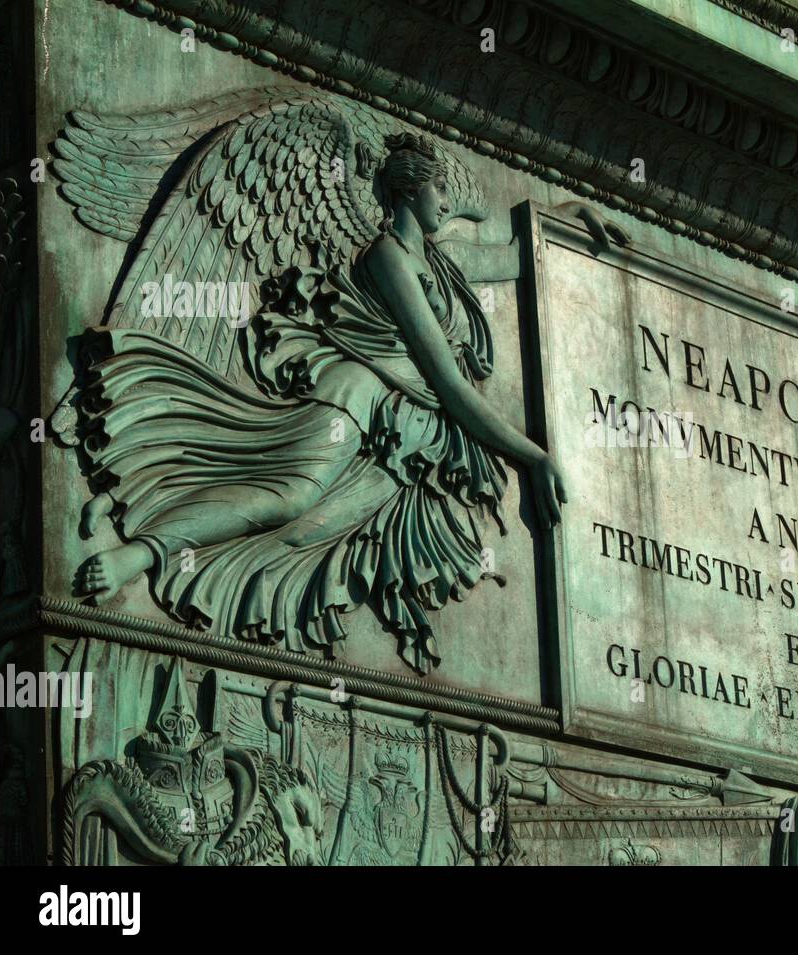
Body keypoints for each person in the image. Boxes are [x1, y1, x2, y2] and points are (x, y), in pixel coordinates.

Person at [75, 132, 575, 671]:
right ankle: (140, 553)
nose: (448, 202)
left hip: (397, 441)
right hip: (356, 406)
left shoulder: (439, 258)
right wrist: (532, 454)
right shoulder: (390, 259)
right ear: (408, 192)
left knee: (300, 537)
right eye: (438, 188)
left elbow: (520, 256)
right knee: (286, 499)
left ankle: (163, 533)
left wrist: (573, 216)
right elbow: (450, 384)